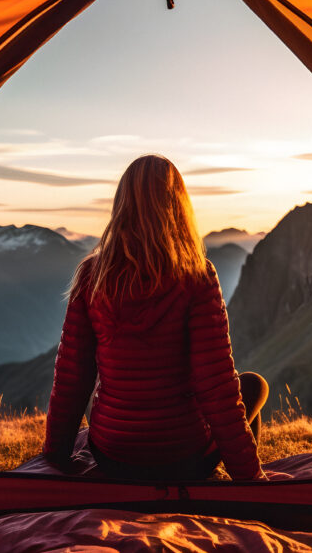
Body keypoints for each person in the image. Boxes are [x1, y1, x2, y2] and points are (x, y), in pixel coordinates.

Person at [42, 154, 268, 481]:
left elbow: (71, 379)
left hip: (113, 458)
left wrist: (55, 460)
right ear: (178, 206)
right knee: (252, 385)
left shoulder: (93, 275)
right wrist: (253, 481)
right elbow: (216, 386)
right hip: (184, 459)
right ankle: (238, 488)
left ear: (122, 205)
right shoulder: (197, 276)